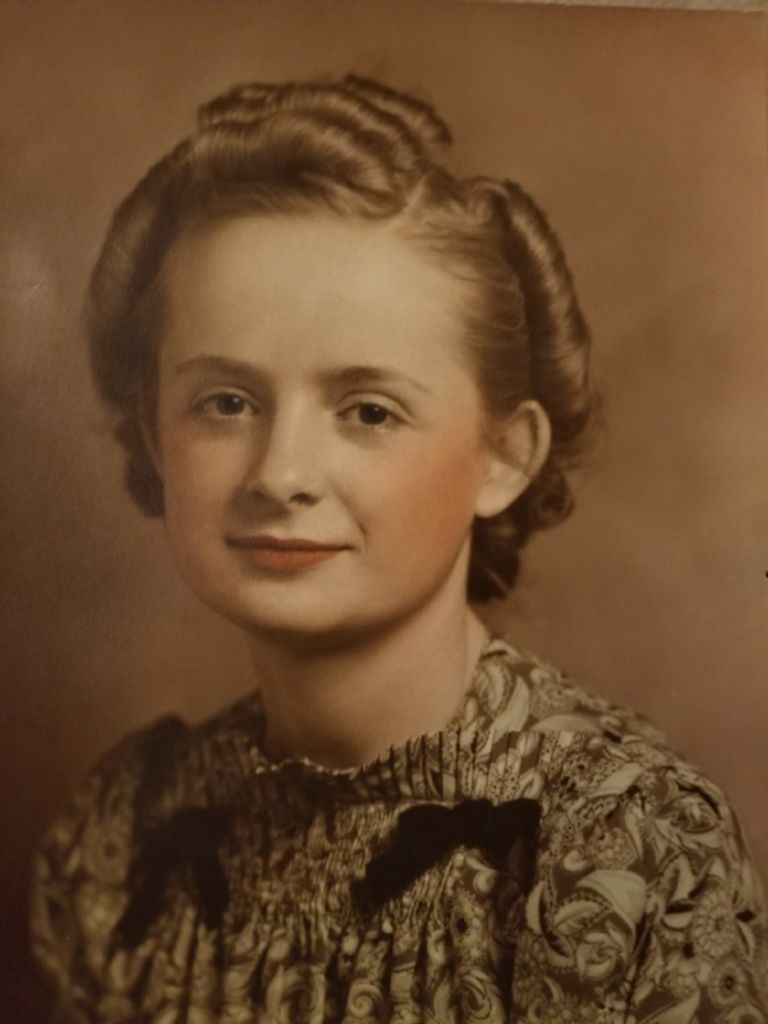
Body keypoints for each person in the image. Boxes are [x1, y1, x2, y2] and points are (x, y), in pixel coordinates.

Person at [30, 74, 766, 1023]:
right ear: (154, 433)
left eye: (369, 410)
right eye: (227, 402)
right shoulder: (129, 843)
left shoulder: (618, 850)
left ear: (503, 457)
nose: (280, 473)